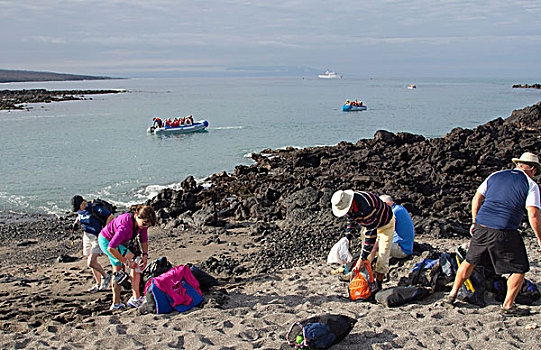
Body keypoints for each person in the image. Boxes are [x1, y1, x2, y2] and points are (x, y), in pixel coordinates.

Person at [445, 152, 541, 317]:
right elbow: (533, 214)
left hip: (482, 226)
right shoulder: (530, 184)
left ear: (518, 164)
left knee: (469, 261)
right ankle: (508, 305)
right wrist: (540, 238)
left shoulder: (494, 176)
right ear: (532, 169)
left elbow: (477, 198)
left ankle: (452, 294)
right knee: (520, 268)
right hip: (504, 230)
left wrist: (474, 221)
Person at [331, 190, 396, 288]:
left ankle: (378, 284)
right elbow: (351, 220)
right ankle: (365, 281)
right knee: (367, 257)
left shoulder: (366, 206)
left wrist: (362, 258)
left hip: (385, 224)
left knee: (383, 256)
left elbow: (371, 235)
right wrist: (347, 239)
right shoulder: (348, 205)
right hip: (369, 225)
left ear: (351, 202)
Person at [98, 205, 157, 310]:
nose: (145, 227)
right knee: (119, 272)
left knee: (138, 262)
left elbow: (144, 239)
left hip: (123, 241)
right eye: (144, 224)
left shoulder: (141, 225)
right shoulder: (125, 226)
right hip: (107, 241)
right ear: (137, 216)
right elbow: (111, 248)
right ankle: (115, 304)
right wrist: (126, 261)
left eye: (148, 225)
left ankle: (136, 297)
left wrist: (145, 255)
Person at [71, 195, 114, 293]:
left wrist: (105, 230)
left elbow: (110, 216)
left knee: (91, 262)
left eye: (78, 207)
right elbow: (79, 216)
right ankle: (98, 283)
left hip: (97, 237)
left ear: (83, 203)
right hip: (87, 236)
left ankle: (105, 276)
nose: (78, 210)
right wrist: (75, 224)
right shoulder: (80, 211)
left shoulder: (95, 208)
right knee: (92, 263)